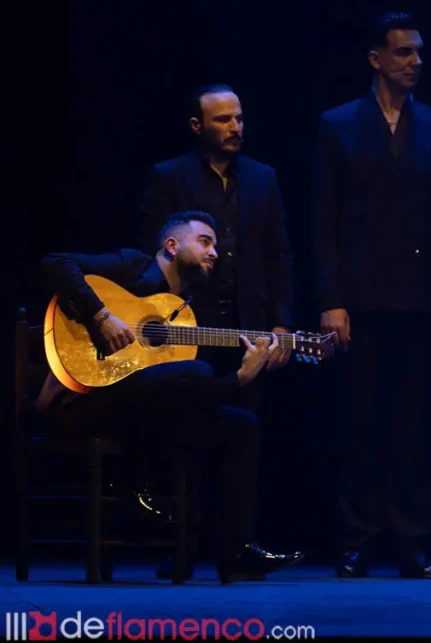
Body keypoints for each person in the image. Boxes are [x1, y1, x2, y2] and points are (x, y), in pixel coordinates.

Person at [35, 211, 305, 584]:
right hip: (83, 405)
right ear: (172, 245)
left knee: (240, 425)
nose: (215, 253)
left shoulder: (189, 311)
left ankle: (236, 552)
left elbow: (192, 395)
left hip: (142, 418)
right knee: (196, 373)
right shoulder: (132, 267)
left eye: (216, 246)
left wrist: (242, 377)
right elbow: (55, 262)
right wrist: (100, 317)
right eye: (205, 242)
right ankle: (133, 486)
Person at [312, 11, 431, 579]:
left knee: (412, 426)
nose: (415, 62)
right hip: (359, 298)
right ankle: (357, 538)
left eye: (419, 52)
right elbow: (324, 219)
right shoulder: (339, 124)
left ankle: (411, 540)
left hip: (420, 299)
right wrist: (332, 298)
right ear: (376, 59)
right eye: (404, 52)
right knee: (360, 423)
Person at [138, 83, 295, 382]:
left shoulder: (262, 178)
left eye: (239, 118)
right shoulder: (169, 177)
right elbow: (151, 252)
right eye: (223, 120)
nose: (235, 127)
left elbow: (277, 255)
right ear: (196, 126)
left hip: (249, 324)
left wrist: (282, 323)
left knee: (246, 406)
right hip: (188, 323)